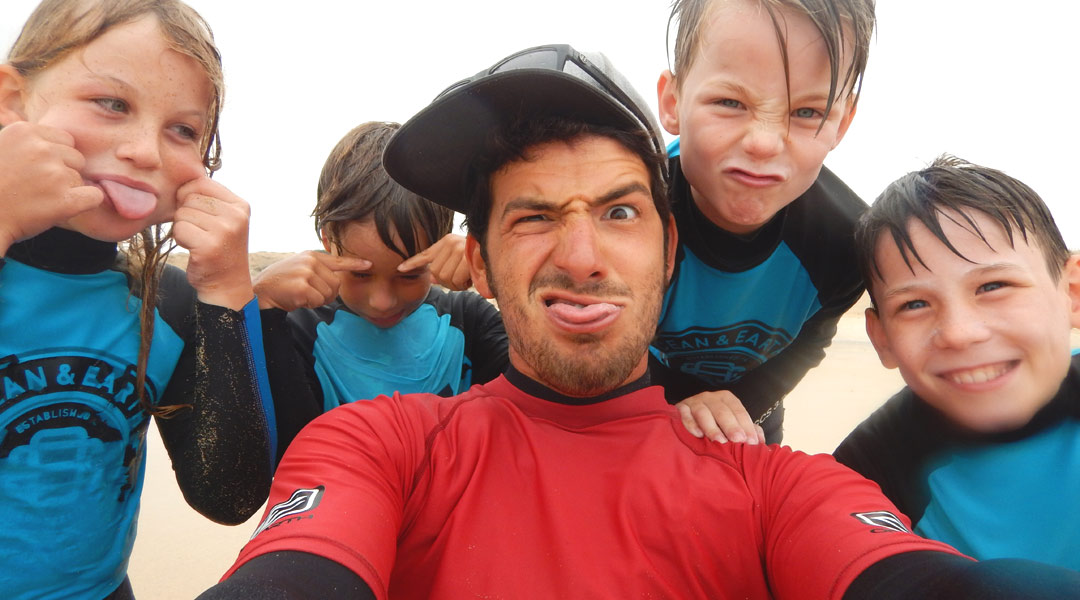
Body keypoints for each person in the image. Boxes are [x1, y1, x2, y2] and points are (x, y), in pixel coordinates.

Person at [199, 45, 1080, 600]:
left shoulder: (770, 486)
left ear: (669, 255)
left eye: (620, 212)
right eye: (534, 216)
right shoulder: (374, 447)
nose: (581, 255)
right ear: (478, 265)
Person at [0, 1, 277, 598]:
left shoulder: (163, 302)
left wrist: (229, 294)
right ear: (11, 99)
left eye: (182, 129)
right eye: (112, 103)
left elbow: (228, 496)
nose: (145, 151)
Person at [833, 156, 1080, 570]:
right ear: (883, 339)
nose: (959, 332)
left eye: (994, 285)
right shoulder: (871, 466)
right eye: (914, 304)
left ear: (1071, 293)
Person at [652, 0, 874, 444]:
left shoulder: (845, 243)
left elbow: (810, 342)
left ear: (842, 122)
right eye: (730, 102)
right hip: (631, 396)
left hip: (748, 410)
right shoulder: (631, 210)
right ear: (673, 102)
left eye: (807, 112)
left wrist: (743, 406)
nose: (764, 143)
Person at [255, 121, 507, 455]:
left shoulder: (468, 321)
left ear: (443, 244)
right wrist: (264, 311)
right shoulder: (299, 330)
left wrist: (496, 273)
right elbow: (284, 454)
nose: (383, 302)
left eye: (409, 275)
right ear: (328, 241)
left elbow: (551, 396)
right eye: (361, 275)